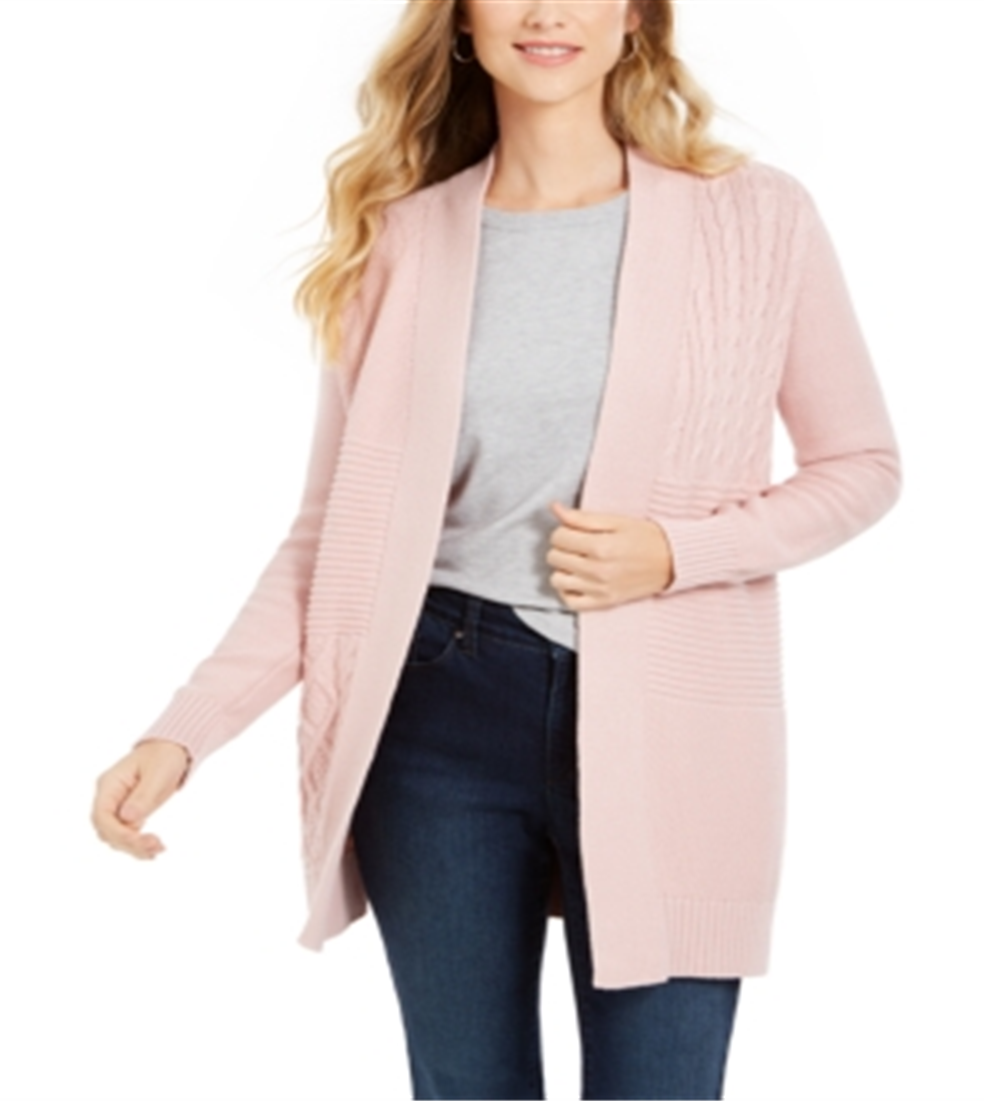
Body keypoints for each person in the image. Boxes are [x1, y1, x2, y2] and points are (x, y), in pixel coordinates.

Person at [91, 2, 903, 1098]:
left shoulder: (757, 217)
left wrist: (675, 553)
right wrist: (183, 732)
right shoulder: (402, 238)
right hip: (437, 712)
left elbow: (860, 465)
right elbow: (333, 533)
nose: (546, 11)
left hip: (673, 727)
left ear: (635, 18)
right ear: (463, 21)